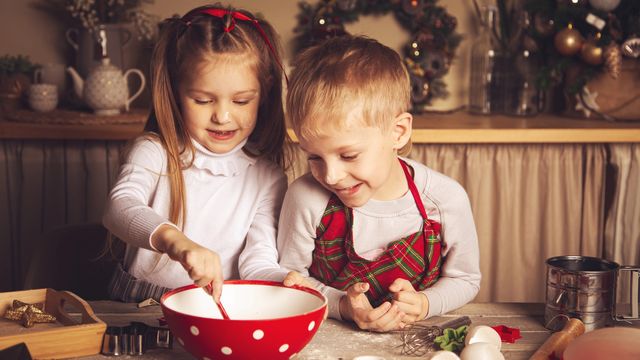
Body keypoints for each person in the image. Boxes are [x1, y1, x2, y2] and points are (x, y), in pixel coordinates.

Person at [278, 35, 481, 332]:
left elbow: (466, 279)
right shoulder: (305, 198)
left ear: (398, 132)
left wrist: (425, 303)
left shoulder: (445, 199)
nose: (331, 175)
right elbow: (290, 275)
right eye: (314, 157)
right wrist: (342, 305)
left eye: (348, 155)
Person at [102, 4, 290, 304]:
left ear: (264, 93)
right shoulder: (154, 152)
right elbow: (119, 207)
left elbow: (258, 261)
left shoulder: (268, 177)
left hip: (212, 307)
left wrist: (286, 280)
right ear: (176, 91)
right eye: (203, 100)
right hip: (138, 305)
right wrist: (176, 242)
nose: (222, 116)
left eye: (241, 101)